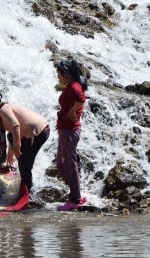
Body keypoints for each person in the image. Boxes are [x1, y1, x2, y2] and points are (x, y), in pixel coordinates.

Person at [0, 92, 50, 194]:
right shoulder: (5, 108)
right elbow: (11, 132)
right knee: (23, 161)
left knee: (24, 165)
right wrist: (10, 152)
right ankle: (27, 176)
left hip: (39, 133)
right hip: (35, 133)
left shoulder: (3, 110)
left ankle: (28, 193)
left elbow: (15, 125)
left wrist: (17, 148)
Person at [55, 59, 88, 211]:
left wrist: (71, 112)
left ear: (66, 74)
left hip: (69, 130)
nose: (57, 77)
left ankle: (75, 199)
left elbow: (81, 100)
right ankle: (76, 193)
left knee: (69, 163)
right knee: (62, 164)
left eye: (59, 74)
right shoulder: (70, 86)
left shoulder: (74, 86)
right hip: (65, 130)